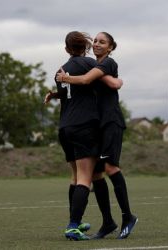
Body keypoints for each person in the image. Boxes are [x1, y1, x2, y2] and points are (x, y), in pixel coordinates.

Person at [56, 32, 138, 240]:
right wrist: (57, 93)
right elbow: (85, 86)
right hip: (96, 125)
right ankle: (108, 222)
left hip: (110, 121)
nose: (97, 44)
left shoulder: (106, 64)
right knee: (96, 174)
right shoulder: (93, 64)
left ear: (110, 47)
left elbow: (110, 83)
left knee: (110, 168)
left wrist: (65, 78)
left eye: (102, 42)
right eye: (95, 41)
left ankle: (128, 217)